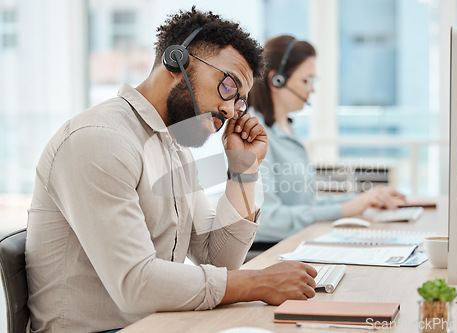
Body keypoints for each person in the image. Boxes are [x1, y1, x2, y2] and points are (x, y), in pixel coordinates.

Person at [25, 9, 317, 333]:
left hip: (157, 325)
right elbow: (136, 284)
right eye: (229, 85)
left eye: (240, 102)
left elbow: (218, 261)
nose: (231, 110)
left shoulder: (174, 148)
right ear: (176, 61)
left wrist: (243, 171)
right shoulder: (99, 139)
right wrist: (257, 283)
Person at [247, 35, 406, 247]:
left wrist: (366, 199)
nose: (312, 89)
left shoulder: (286, 129)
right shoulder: (253, 132)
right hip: (270, 251)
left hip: (296, 242)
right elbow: (267, 219)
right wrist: (347, 208)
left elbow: (308, 204)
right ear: (277, 80)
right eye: (306, 81)